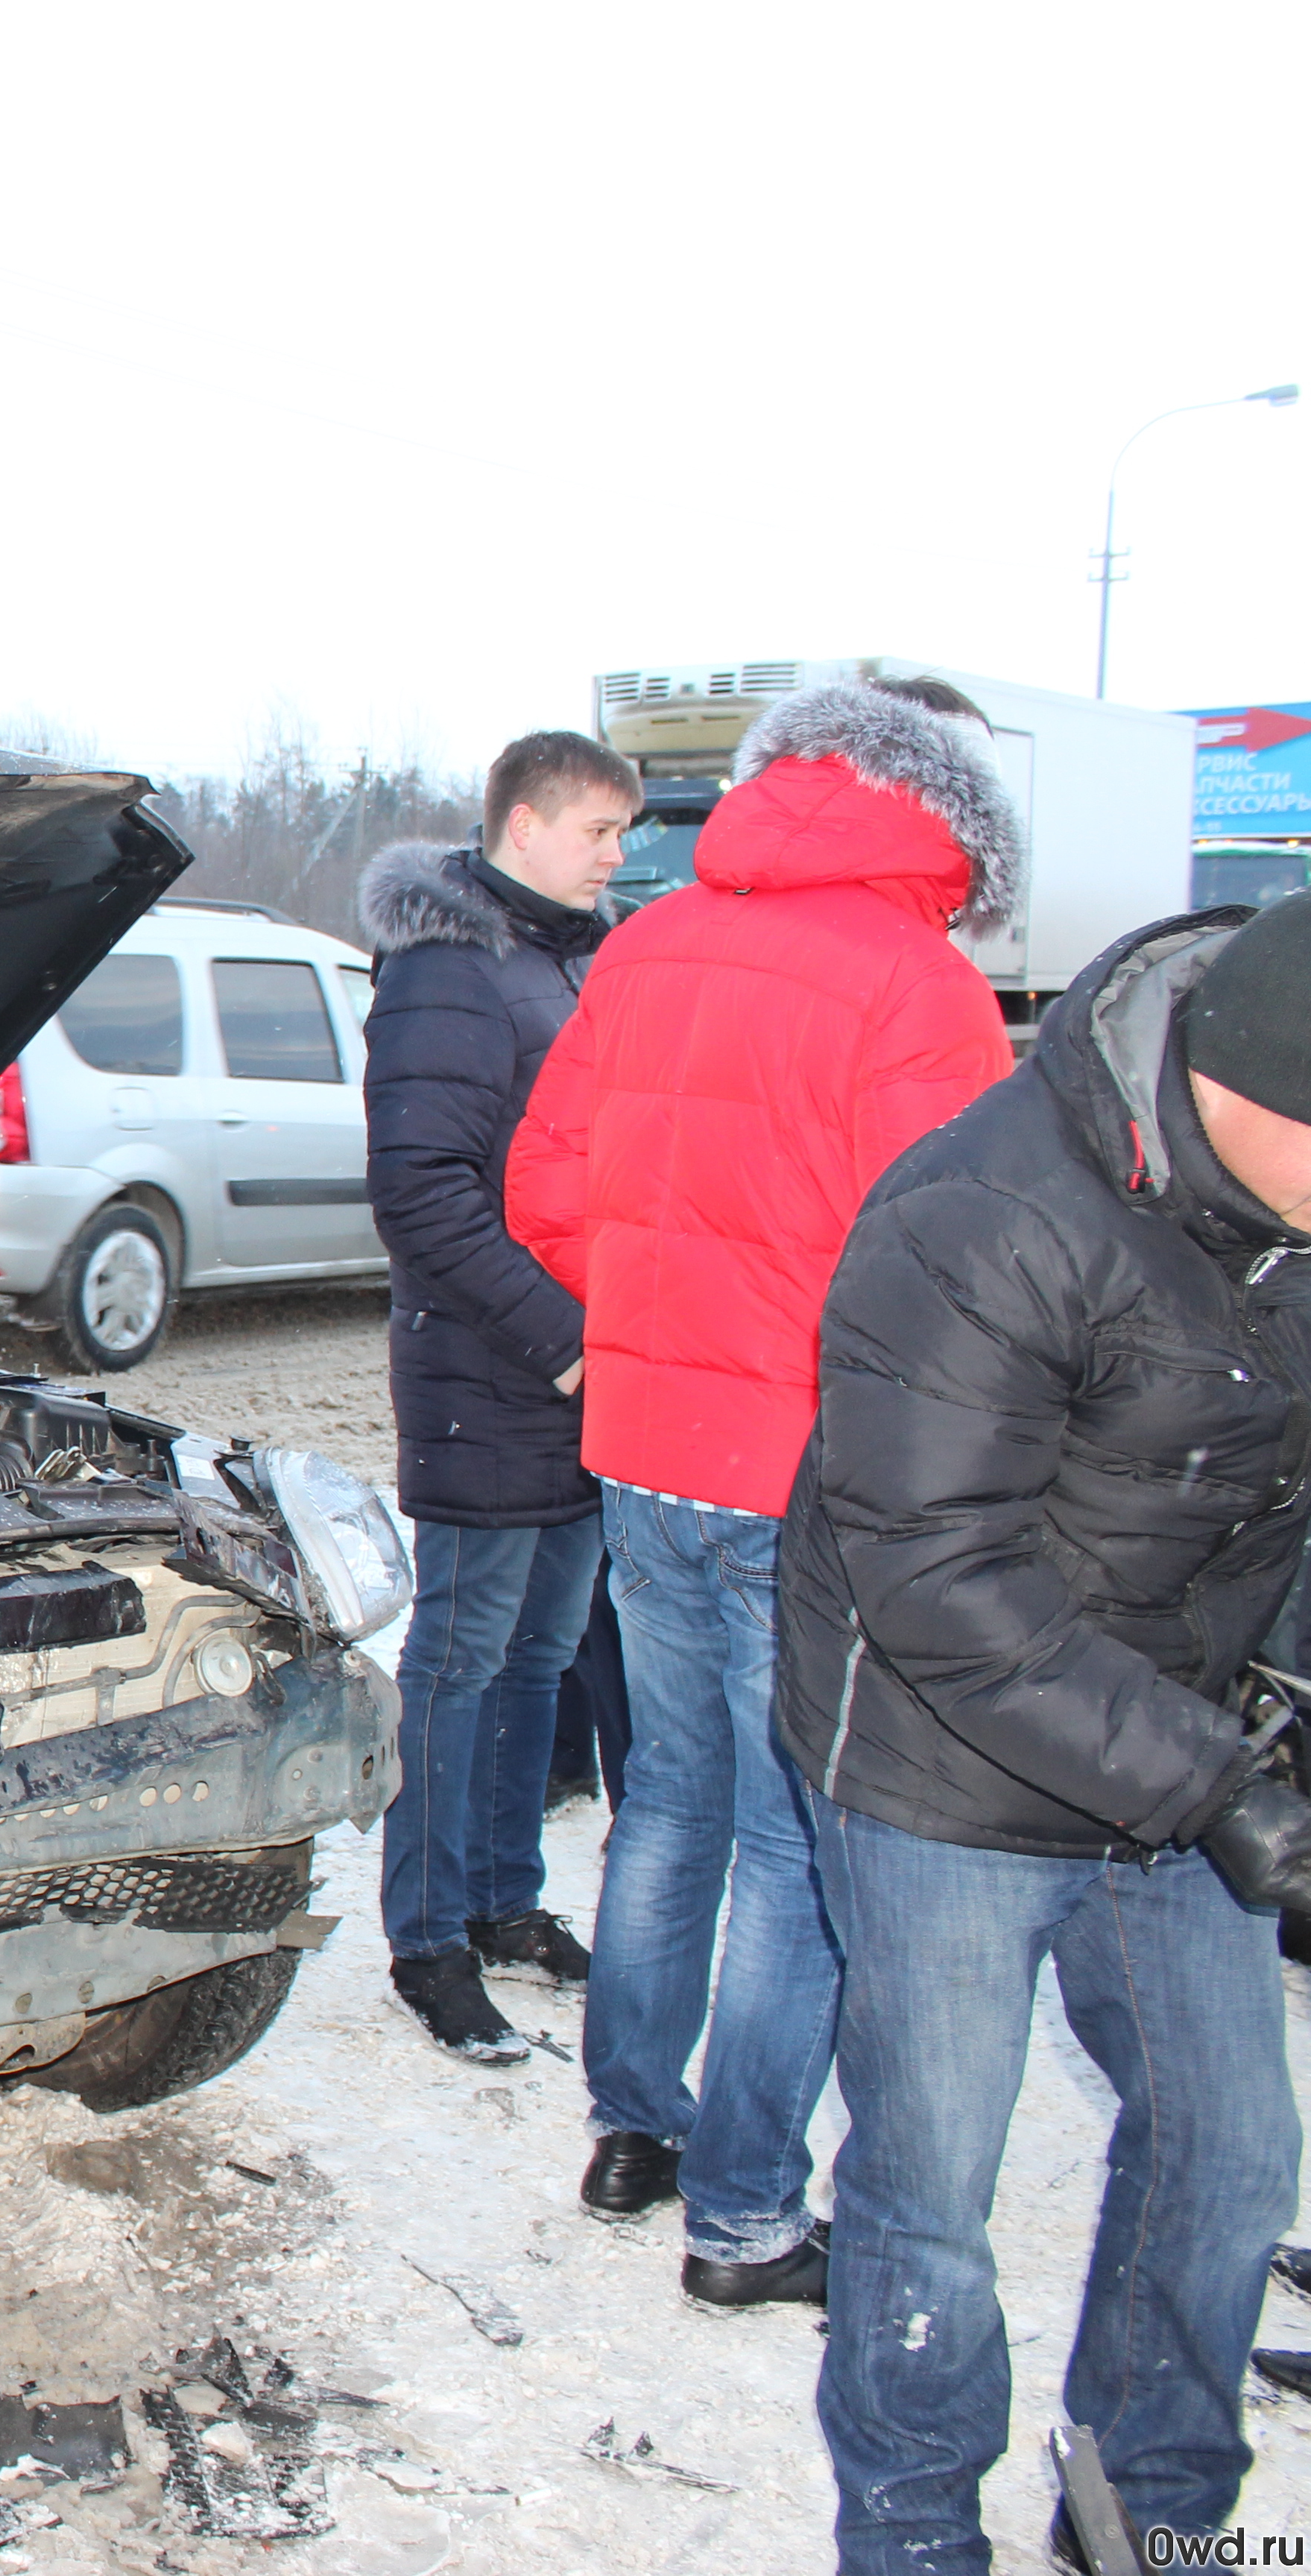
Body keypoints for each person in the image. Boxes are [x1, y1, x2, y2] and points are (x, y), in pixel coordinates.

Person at [781, 898, 1311, 2572]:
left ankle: (1154, 2516)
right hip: (946, 1763)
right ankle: (917, 2531)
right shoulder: (985, 1212)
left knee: (1232, 2161)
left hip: (1176, 1737)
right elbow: (938, 1571)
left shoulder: (1284, 1214)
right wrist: (1219, 1783)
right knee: (933, 2197)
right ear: (1248, 1091)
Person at [506, 677, 1020, 2296]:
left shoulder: (649, 943)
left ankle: (633, 2129)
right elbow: (954, 1274)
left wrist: (653, 1319)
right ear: (942, 808)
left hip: (648, 1446)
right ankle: (742, 2215)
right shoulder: (919, 982)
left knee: (669, 1797)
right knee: (800, 1842)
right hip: (810, 1474)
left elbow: (546, 1186)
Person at [356, 732, 630, 2062]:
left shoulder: (581, 960)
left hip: (593, 1376)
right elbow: (422, 1194)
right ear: (527, 825)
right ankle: (428, 1937)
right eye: (601, 831)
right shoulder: (448, 968)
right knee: (458, 1665)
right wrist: (564, 1341)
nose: (617, 856)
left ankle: (505, 1898)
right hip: (494, 1371)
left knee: (545, 1655)